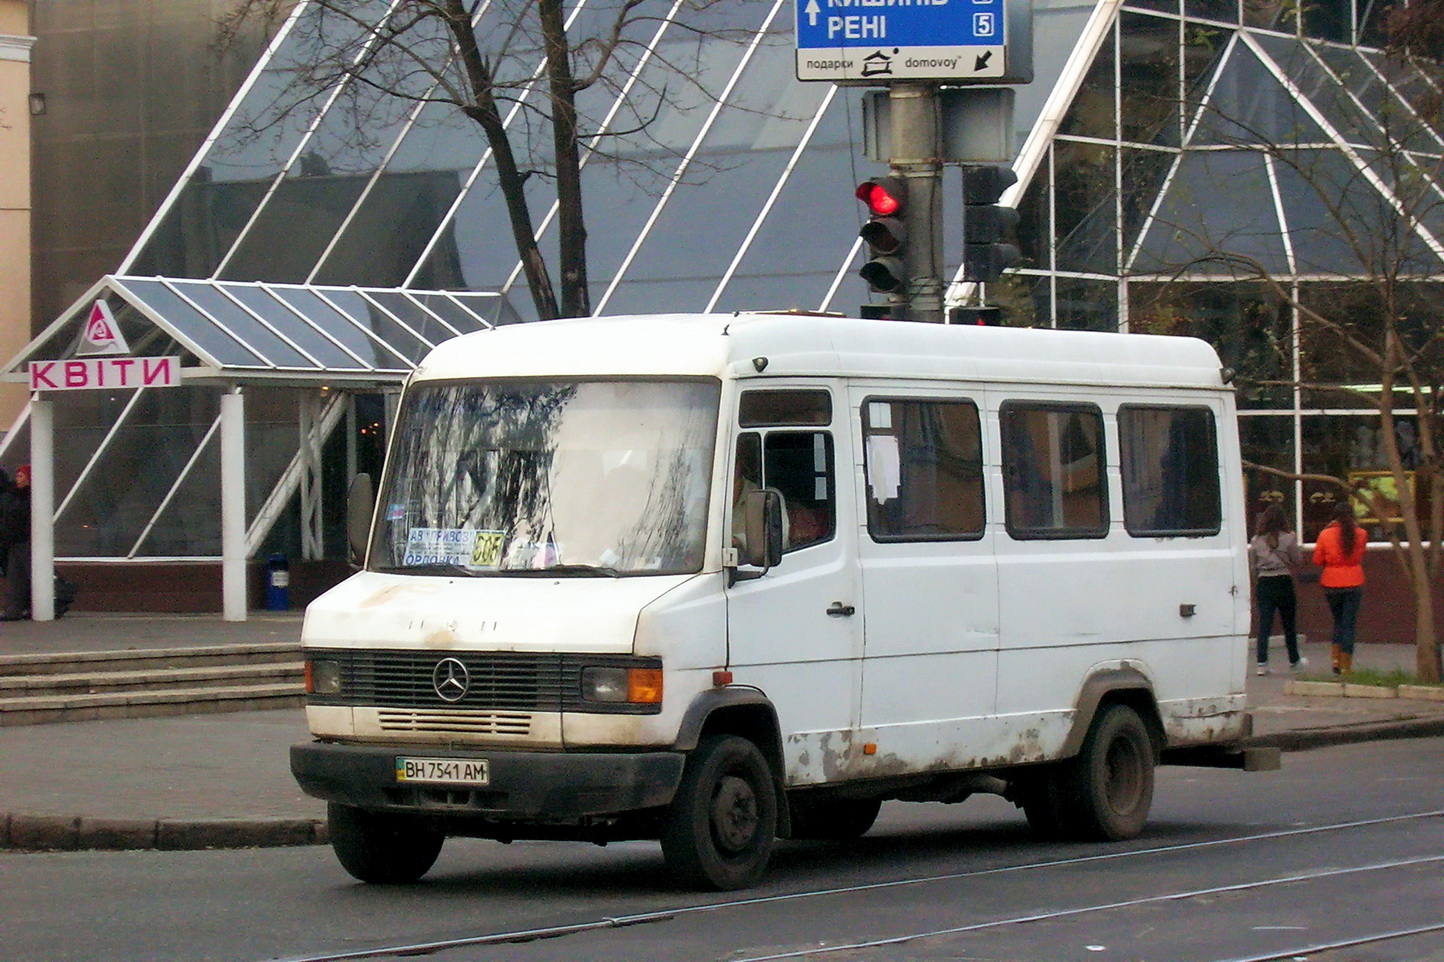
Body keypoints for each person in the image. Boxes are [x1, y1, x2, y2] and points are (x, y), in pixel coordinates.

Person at [1249, 504, 1306, 675]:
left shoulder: (1256, 541)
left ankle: (1261, 663)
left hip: (1264, 582)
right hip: (1283, 581)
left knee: (1264, 624)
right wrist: (1295, 542)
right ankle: (1294, 660)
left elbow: (1253, 566)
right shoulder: (1288, 538)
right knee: (1289, 623)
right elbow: (1297, 560)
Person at [1312, 500, 1366, 675]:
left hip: (1331, 583)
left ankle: (1335, 661)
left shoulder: (1325, 534)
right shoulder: (1361, 533)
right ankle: (1346, 666)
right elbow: (1359, 556)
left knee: (1338, 621)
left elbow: (1317, 560)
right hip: (1354, 581)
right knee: (1348, 624)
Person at [1, 464, 32, 620]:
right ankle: (13, 610)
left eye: (21, 476)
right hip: (14, 540)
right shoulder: (14, 495)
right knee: (16, 576)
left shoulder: (26, 498)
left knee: (22, 575)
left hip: (23, 540)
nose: (17, 479)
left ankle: (17, 609)